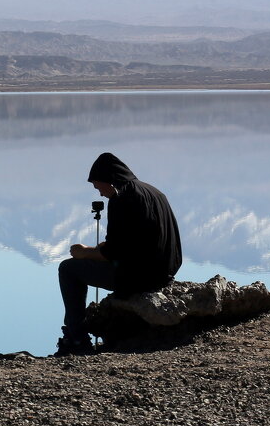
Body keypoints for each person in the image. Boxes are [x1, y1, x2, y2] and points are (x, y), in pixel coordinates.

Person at [55, 152, 182, 356]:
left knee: (68, 269)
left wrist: (85, 252)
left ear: (109, 181)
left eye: (99, 187)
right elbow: (132, 240)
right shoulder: (154, 192)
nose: (100, 194)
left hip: (138, 278)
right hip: (164, 274)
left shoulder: (122, 198)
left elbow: (112, 252)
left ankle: (76, 338)